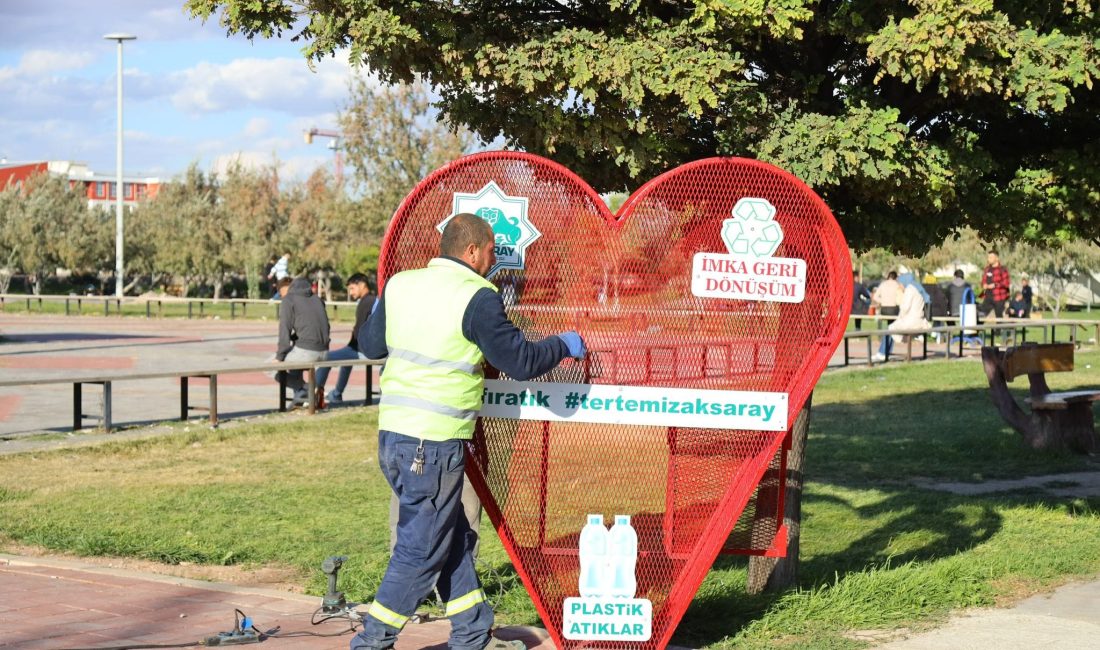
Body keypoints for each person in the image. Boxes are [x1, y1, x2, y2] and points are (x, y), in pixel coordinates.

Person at [353, 213, 586, 650]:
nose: (495, 260)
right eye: (493, 250)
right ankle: (371, 641)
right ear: (472, 250)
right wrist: (563, 344)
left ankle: (473, 630)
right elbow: (521, 362)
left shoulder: (401, 284)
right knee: (421, 550)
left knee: (451, 538)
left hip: (393, 439)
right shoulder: (478, 297)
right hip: (434, 444)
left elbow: (370, 346)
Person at [316, 273, 375, 405]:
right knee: (346, 360)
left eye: (352, 288)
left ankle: (314, 393)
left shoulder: (366, 302)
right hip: (368, 348)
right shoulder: (372, 300)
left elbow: (359, 330)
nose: (350, 292)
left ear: (362, 285)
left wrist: (352, 346)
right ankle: (336, 393)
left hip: (364, 350)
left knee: (327, 357)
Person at [273, 276, 330, 407]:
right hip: (325, 353)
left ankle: (307, 389)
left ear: (289, 288)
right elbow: (324, 326)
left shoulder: (289, 299)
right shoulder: (316, 299)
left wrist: (279, 356)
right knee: (294, 363)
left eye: (282, 294)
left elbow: (284, 330)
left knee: (271, 369)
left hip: (307, 353)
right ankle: (300, 397)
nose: (283, 297)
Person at [873, 273, 928, 362]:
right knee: (891, 328)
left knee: (890, 328)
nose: (899, 287)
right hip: (919, 320)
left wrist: (900, 316)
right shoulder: (917, 289)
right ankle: (884, 352)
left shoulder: (910, 290)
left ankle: (882, 352)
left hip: (912, 321)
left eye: (900, 284)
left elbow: (905, 308)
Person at [980, 250, 1010, 318]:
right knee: (981, 315)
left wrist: (995, 285)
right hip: (988, 297)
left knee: (999, 318)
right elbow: (983, 281)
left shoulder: (1003, 269)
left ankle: (998, 329)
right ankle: (978, 328)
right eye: (988, 257)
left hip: (999, 298)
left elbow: (1006, 283)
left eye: (991, 257)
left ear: (997, 258)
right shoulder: (987, 269)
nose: (989, 259)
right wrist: (984, 285)